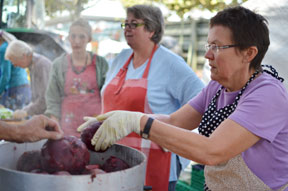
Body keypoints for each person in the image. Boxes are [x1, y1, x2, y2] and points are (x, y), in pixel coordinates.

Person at [78, 6, 288, 191]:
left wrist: (139, 122)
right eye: (208, 46)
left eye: (217, 47)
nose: (208, 55)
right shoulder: (216, 87)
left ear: (249, 53)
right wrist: (126, 118)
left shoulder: (266, 94)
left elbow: (213, 151)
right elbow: (174, 121)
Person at [89, 5, 204, 191]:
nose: (127, 28)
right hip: (113, 159)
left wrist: (175, 136)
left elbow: (202, 100)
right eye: (125, 24)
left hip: (155, 162)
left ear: (152, 30)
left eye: (134, 24)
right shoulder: (120, 59)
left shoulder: (170, 63)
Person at [45, 18, 108, 137]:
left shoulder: (101, 63)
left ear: (89, 39)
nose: (77, 41)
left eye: (82, 37)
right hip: (67, 126)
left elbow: (108, 95)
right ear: (68, 38)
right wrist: (54, 124)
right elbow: (52, 97)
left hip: (95, 125)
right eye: (73, 36)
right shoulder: (59, 64)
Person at [5, 40, 52, 119]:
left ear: (24, 56)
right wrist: (23, 110)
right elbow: (35, 99)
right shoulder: (32, 65)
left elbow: (45, 99)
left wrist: (26, 112)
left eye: (14, 61)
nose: (15, 65)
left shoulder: (41, 65)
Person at [0, 33, 31, 110]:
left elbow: (6, 76)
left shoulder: (3, 49)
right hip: (24, 86)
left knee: (12, 118)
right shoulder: (9, 45)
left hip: (15, 89)